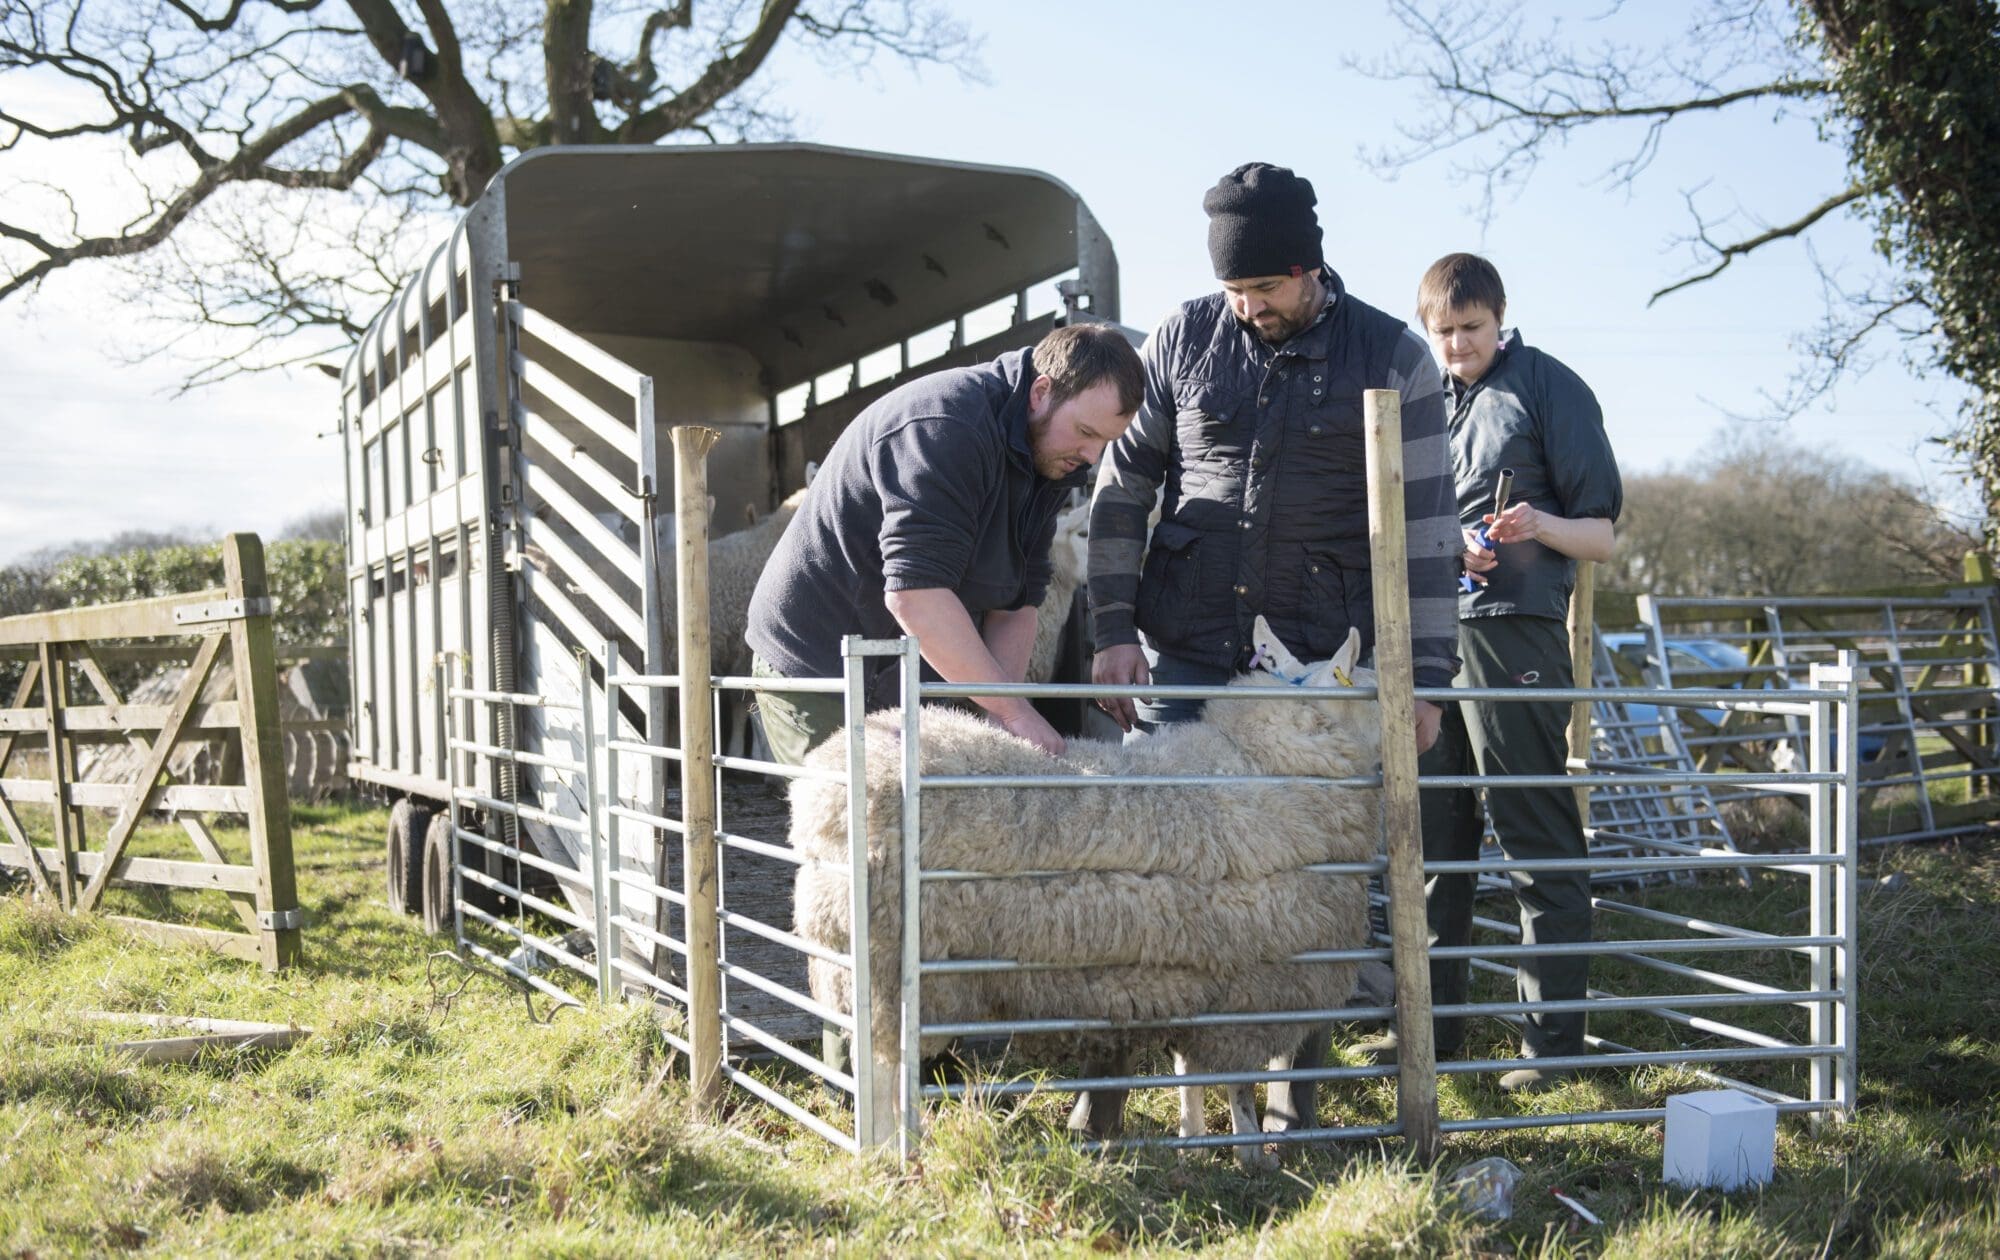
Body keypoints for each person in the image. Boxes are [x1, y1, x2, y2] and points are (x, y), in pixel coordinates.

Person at [1077, 162, 1464, 1137]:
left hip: (1315, 672)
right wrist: (1111, 629)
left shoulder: (1392, 356)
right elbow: (1122, 490)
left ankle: (1297, 1108)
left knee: (1311, 883)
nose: (1245, 307)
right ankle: (1111, 1107)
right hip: (1188, 646)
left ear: (1306, 268)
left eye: (1260, 287)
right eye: (1232, 289)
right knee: (1152, 865)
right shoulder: (1182, 338)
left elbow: (1427, 531)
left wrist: (1425, 680)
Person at [1361, 251, 1622, 1093]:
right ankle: (1431, 1032)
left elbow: (1601, 536)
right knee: (1436, 841)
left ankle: (1552, 1048)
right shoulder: (1421, 399)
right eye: (1442, 332)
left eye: (1471, 328)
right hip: (1428, 640)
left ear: (1500, 318)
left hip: (1516, 636)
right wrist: (1448, 546)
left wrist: (1538, 525)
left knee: (1533, 831)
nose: (1457, 345)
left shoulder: (1550, 387)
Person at [747, 321, 1144, 768]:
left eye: (1105, 442)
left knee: (930, 805)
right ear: (1040, 392)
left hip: (909, 664)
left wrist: (1000, 718)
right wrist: (1013, 711)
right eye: (1086, 432)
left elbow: (1018, 602)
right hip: (819, 658)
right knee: (854, 806)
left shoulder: (1051, 457)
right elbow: (915, 594)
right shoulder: (947, 425)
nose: (1092, 457)